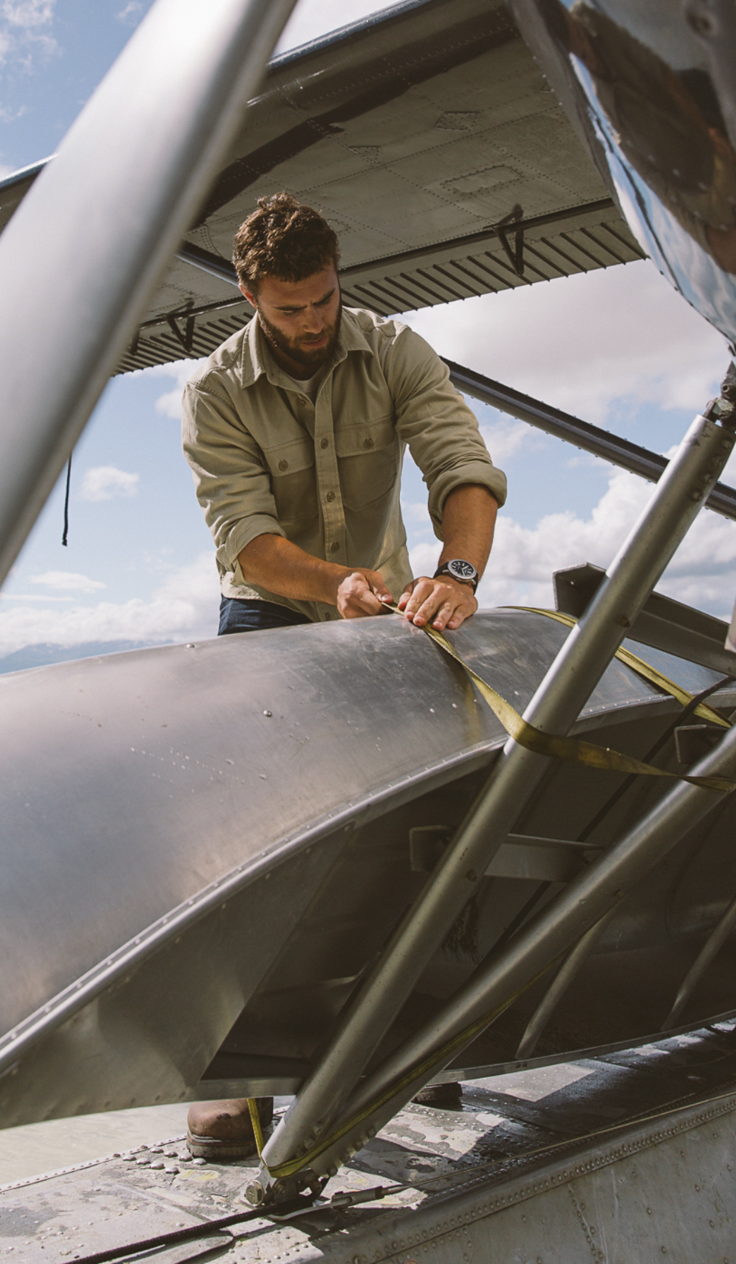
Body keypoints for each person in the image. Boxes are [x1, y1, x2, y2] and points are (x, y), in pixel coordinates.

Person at [179, 193, 507, 1159]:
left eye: (322, 301)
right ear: (249, 295)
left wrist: (456, 576)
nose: (312, 323)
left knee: (425, 819)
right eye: (289, 310)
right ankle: (235, 1082)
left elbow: (463, 470)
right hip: (269, 608)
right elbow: (248, 539)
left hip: (398, 608)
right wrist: (337, 584)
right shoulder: (210, 392)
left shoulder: (397, 349)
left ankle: (418, 1041)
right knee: (253, 842)